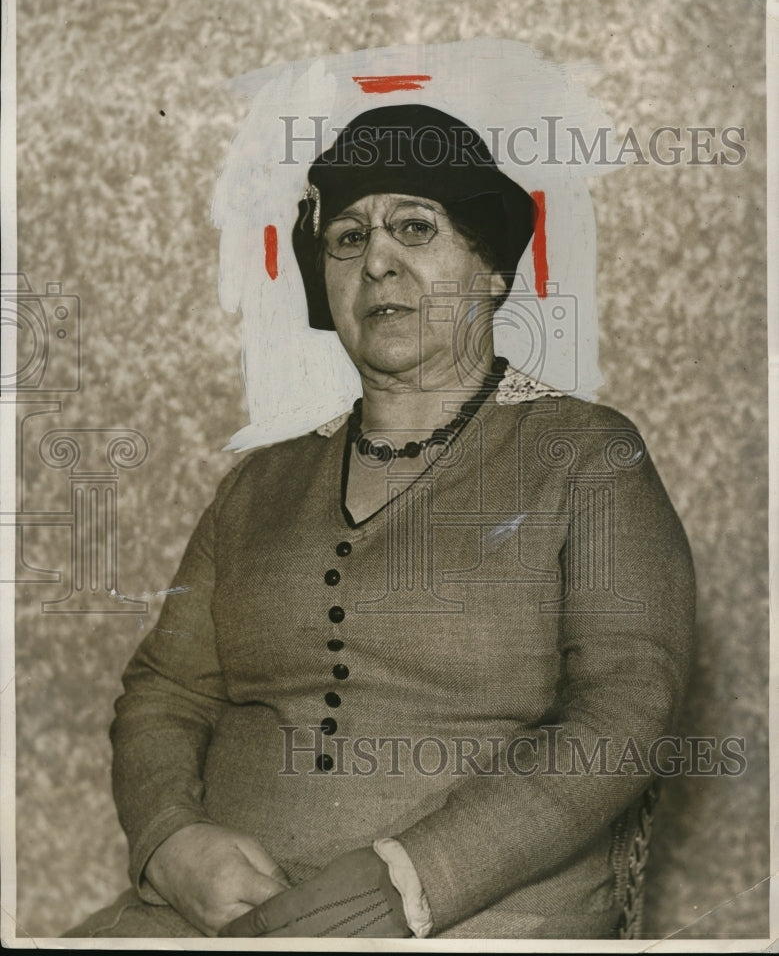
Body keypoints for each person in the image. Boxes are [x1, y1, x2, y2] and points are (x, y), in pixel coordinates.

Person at [65, 104, 695, 940]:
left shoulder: (586, 456)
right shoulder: (258, 483)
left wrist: (413, 878)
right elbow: (165, 692)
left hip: (475, 913)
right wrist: (170, 840)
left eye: (414, 228)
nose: (378, 265)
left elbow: (623, 709)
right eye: (348, 239)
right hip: (216, 916)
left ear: (490, 271)